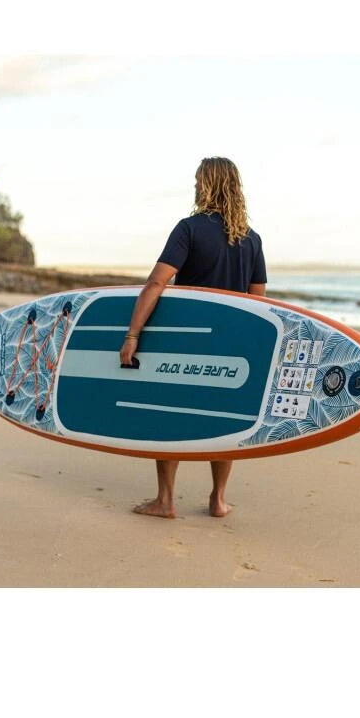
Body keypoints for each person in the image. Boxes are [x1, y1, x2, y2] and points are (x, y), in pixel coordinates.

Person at [119, 157, 267, 519]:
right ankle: (218, 500)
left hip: (187, 342)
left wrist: (133, 334)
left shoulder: (189, 229)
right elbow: (259, 302)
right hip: (233, 347)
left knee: (171, 415)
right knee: (226, 419)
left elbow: (157, 282)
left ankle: (165, 500)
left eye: (200, 180)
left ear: (210, 184)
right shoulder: (252, 240)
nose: (196, 186)